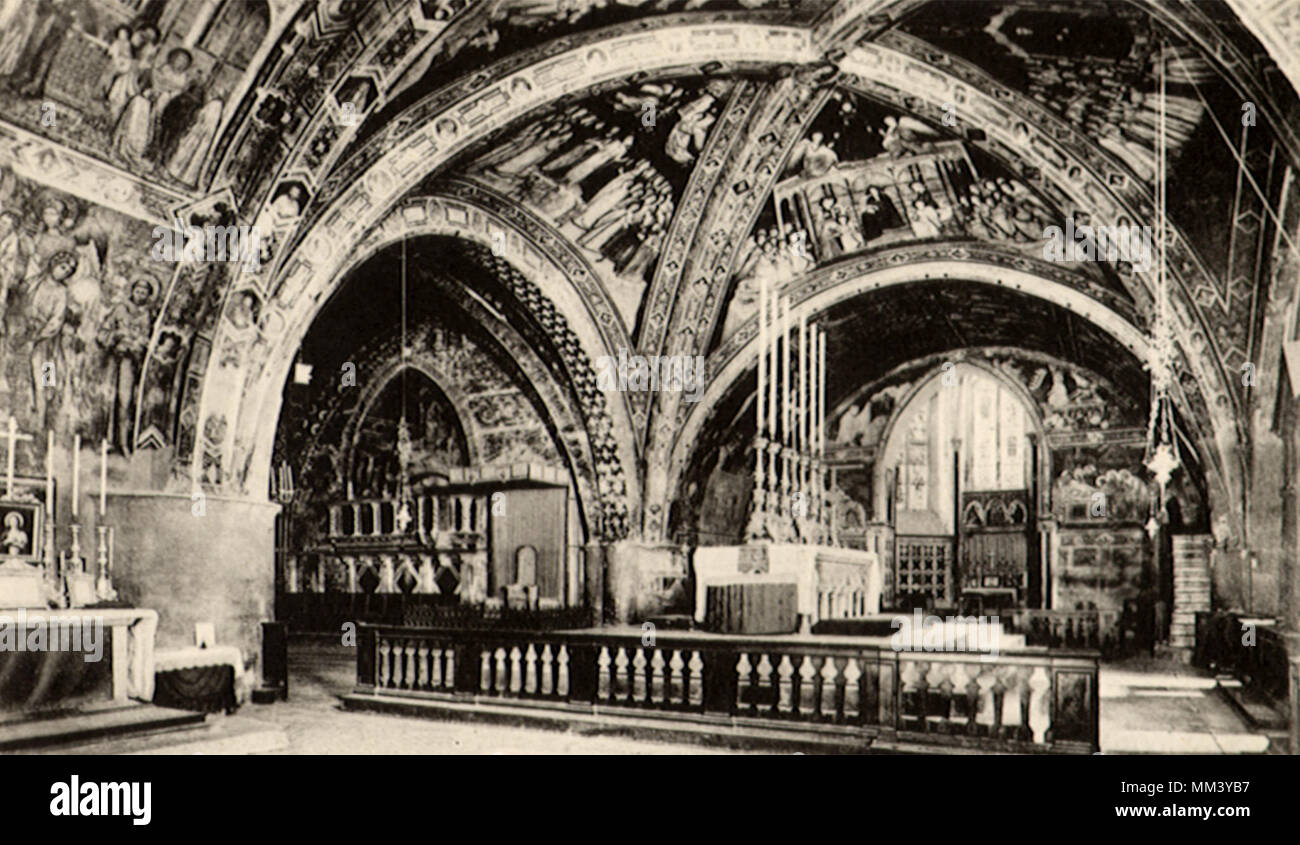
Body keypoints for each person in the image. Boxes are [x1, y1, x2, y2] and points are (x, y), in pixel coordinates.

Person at [97, 277, 154, 453]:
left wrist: (139, 345)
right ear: (132, 291)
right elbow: (103, 333)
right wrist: (115, 336)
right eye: (138, 291)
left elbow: (150, 339)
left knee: (125, 401)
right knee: (108, 398)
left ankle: (123, 442)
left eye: (144, 292)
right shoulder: (119, 309)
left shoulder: (148, 315)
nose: (140, 295)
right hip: (114, 359)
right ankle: (106, 440)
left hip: (131, 362)